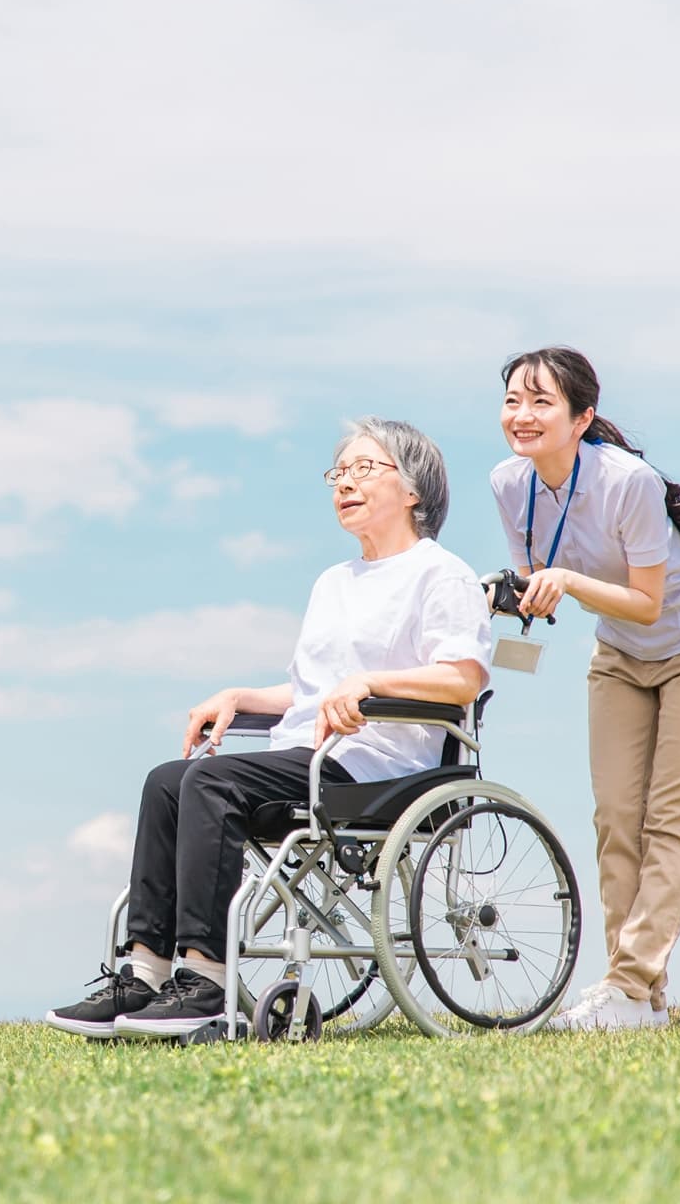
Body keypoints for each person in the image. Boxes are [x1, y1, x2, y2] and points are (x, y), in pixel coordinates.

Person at [46, 418, 495, 1040]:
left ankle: (205, 978)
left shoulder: (440, 574)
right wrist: (239, 696)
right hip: (307, 753)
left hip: (380, 764)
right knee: (167, 781)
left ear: (414, 489)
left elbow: (463, 679)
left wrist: (372, 684)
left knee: (209, 782)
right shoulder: (333, 582)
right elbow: (311, 689)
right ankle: (143, 972)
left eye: (365, 468)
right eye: (339, 472)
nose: (346, 482)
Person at [489, 346, 680, 1032]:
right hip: (621, 657)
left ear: (583, 417)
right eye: (513, 399)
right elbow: (537, 591)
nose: (523, 414)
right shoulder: (508, 484)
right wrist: (512, 595)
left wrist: (567, 583)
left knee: (673, 820)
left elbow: (647, 601)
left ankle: (628, 986)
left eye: (542, 401)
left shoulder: (627, 482)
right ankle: (638, 999)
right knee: (616, 820)